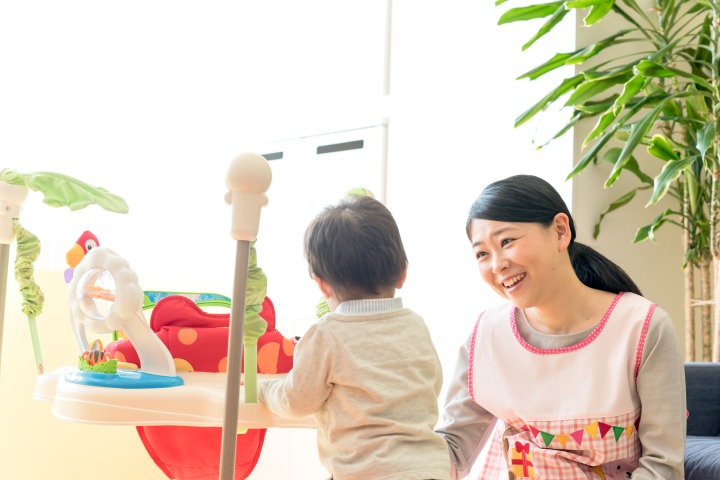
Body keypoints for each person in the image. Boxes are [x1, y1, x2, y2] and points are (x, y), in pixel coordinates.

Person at [435, 174, 686, 479]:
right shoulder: (486, 335)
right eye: (482, 254)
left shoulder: (642, 327)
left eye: (507, 241)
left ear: (560, 231)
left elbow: (662, 466)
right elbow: (451, 451)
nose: (497, 264)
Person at [258, 195, 450, 480]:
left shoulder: (326, 334)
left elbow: (297, 401)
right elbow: (432, 382)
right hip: (430, 469)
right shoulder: (415, 325)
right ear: (403, 272)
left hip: (366, 472)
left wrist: (264, 390)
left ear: (322, 285)